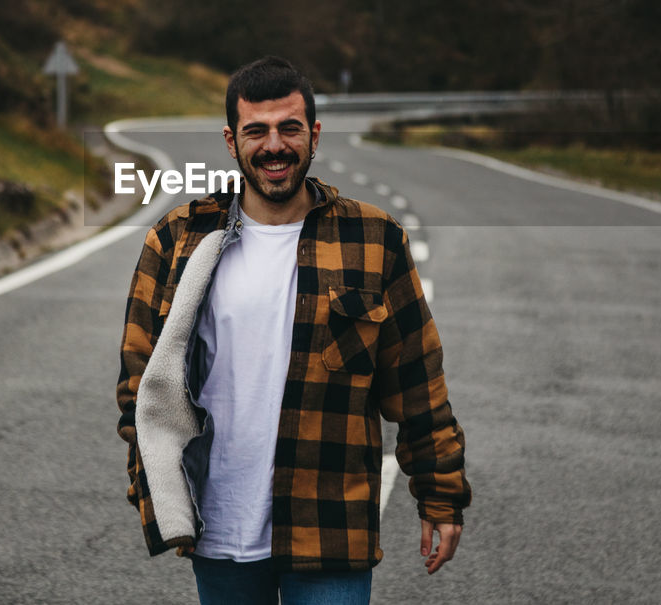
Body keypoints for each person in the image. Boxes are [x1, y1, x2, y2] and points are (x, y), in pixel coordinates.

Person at [117, 56, 470, 604]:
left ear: (314, 135)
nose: (274, 145)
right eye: (256, 131)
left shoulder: (374, 240)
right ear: (232, 141)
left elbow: (418, 385)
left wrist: (441, 497)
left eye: (290, 128)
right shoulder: (178, 240)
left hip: (332, 530)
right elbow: (139, 384)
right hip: (219, 531)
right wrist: (157, 484)